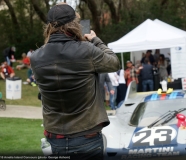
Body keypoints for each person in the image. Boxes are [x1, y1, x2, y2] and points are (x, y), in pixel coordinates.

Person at [30, 3, 119, 160]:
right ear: (74, 25)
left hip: (55, 138)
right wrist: (95, 40)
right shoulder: (86, 50)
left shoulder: (36, 57)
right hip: (86, 137)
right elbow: (114, 63)